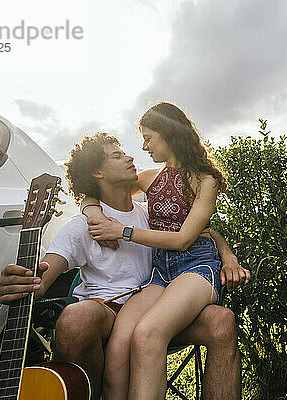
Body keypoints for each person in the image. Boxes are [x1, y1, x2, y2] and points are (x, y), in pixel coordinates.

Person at [0, 132, 248, 400]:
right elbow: (47, 272)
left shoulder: (149, 214)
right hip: (108, 310)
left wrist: (228, 256)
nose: (129, 157)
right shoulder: (83, 225)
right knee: (75, 318)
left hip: (158, 304)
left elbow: (195, 232)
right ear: (97, 172)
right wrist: (26, 282)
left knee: (222, 321)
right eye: (117, 155)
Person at [82, 102, 244, 400]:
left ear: (168, 134)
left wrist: (123, 232)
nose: (143, 147)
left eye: (148, 137)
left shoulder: (206, 180)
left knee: (148, 334)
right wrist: (93, 211)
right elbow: (96, 189)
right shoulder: (148, 178)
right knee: (120, 343)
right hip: (159, 273)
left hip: (197, 267)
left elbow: (185, 238)